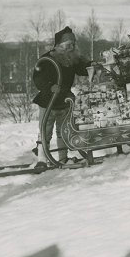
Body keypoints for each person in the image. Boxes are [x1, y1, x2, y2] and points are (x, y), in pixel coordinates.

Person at [32, 26, 92, 171]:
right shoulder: (47, 59)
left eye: (73, 44)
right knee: (45, 130)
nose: (71, 47)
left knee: (63, 131)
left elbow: (83, 68)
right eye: (68, 45)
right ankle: (41, 159)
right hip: (48, 101)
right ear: (59, 45)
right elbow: (37, 78)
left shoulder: (72, 58)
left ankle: (62, 158)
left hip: (65, 100)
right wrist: (50, 87)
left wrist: (91, 66)